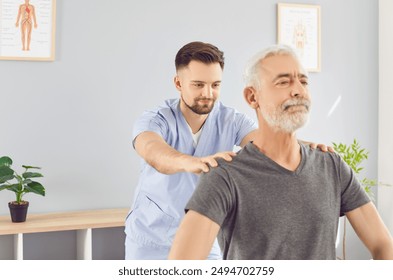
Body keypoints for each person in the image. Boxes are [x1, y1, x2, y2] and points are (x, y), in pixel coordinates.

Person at [168, 44, 393, 260]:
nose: (298, 90)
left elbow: (383, 246)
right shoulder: (225, 177)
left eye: (303, 81)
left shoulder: (331, 166)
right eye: (283, 82)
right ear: (252, 97)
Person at [125, 41, 331, 260]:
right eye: (198, 84)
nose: (208, 93)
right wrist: (193, 162)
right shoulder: (157, 119)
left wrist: (308, 148)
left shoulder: (230, 120)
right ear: (178, 83)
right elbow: (153, 151)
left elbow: (266, 143)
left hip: (206, 241)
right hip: (151, 240)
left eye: (215, 85)